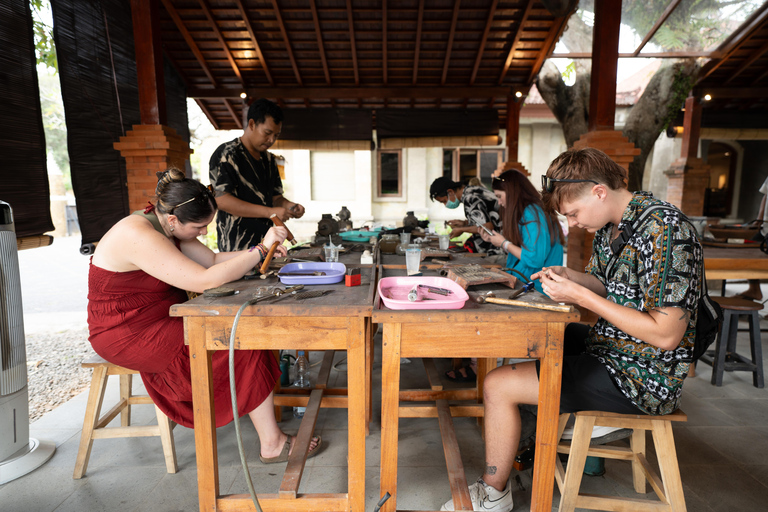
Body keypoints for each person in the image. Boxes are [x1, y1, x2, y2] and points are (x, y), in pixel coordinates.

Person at [440, 148, 703, 511]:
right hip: (614, 347)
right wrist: (572, 277)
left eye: (574, 214)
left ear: (599, 191)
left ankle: (494, 492)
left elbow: (666, 334)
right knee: (528, 342)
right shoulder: (616, 224)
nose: (574, 224)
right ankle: (534, 438)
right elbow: (604, 282)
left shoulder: (666, 230)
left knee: (497, 384)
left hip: (642, 375)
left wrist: (580, 295)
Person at [88, 169, 321, 464]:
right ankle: (272, 443)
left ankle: (268, 432)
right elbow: (204, 280)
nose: (203, 233)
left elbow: (210, 260)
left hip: (162, 318)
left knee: (247, 337)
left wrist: (259, 253)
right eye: (199, 227)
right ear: (174, 219)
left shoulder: (166, 223)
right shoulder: (137, 234)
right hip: (126, 332)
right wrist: (260, 248)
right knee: (241, 343)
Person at [445, 169, 565, 383]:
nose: (499, 203)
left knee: (482, 313)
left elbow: (534, 259)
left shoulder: (532, 212)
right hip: (527, 281)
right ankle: (484, 366)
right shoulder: (531, 211)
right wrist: (498, 243)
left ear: (512, 192)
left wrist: (503, 243)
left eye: (500, 197)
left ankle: (487, 369)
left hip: (537, 287)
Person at [209, 98, 305, 252]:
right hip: (236, 245)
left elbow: (276, 198)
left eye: (276, 135)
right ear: (252, 124)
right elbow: (221, 200)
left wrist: (290, 206)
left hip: (266, 242)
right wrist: (270, 212)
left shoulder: (269, 160)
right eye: (267, 133)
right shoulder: (227, 154)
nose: (271, 140)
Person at [429, 176, 502, 256]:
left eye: (444, 201)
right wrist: (465, 223)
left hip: (499, 248)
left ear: (450, 192)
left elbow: (487, 227)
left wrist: (462, 229)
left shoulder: (470, 198)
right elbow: (485, 219)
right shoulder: (472, 191)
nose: (445, 204)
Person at [734, 175, 768, 301]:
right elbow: (766, 195)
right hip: (765, 226)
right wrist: (759, 218)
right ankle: (754, 289)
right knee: (747, 247)